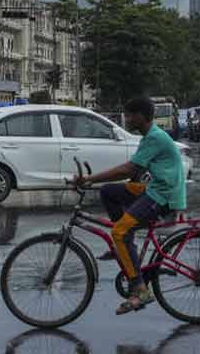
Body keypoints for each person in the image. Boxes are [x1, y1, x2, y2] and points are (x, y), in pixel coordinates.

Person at [73, 97, 186, 315]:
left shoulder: (154, 138)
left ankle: (141, 289)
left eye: (129, 114)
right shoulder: (149, 137)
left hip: (163, 196)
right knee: (109, 191)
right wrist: (100, 182)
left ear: (141, 117)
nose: (126, 118)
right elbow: (134, 172)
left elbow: (128, 169)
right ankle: (123, 245)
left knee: (119, 231)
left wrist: (90, 179)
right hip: (155, 188)